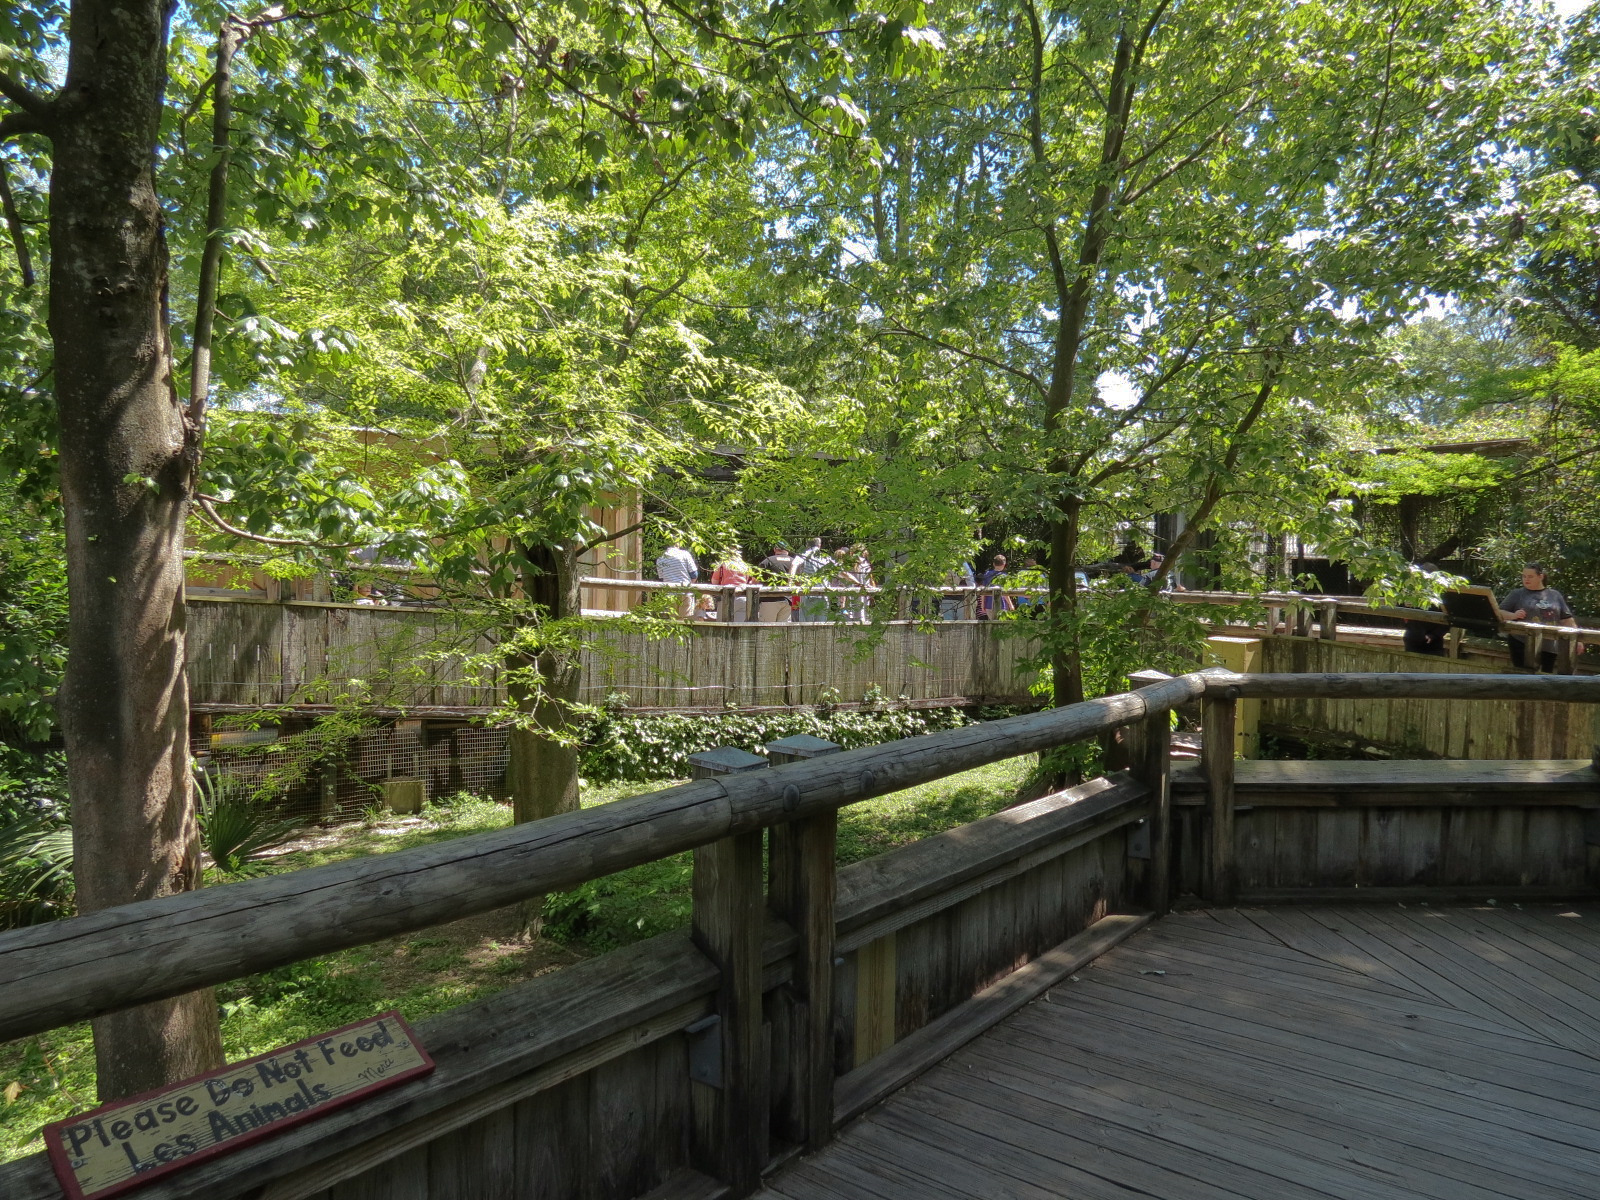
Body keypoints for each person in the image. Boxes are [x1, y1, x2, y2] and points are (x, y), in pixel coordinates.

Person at [1501, 563, 1581, 672]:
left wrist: (1577, 640)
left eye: (1530, 576)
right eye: (1524, 576)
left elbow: (1567, 619)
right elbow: (1499, 612)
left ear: (1541, 576)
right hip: (1522, 643)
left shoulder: (1555, 595)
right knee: (1523, 675)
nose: (1526, 579)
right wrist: (1513, 615)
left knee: (1544, 677)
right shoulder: (1517, 594)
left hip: (1549, 645)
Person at [1402, 562, 1448, 657]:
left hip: (1433, 643)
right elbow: (1398, 612)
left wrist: (1433, 636)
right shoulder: (1411, 592)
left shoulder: (1442, 595)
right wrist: (1404, 605)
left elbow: (1448, 620)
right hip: (1413, 639)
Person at [655, 543, 699, 619]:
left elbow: (662, 578)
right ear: (678, 544)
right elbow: (694, 574)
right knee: (685, 621)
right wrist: (690, 585)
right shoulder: (685, 554)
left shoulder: (660, 558)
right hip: (685, 591)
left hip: (669, 593)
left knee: (673, 620)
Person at [757, 542, 798, 622]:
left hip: (769, 600)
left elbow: (757, 580)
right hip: (788, 601)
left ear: (775, 549)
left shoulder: (768, 561)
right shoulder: (794, 562)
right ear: (788, 550)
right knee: (782, 631)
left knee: (766, 629)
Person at [795, 537, 832, 622]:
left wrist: (791, 581)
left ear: (807, 545)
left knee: (807, 624)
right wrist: (856, 581)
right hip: (823, 595)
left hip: (808, 594)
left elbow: (794, 564)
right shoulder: (826, 557)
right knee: (822, 624)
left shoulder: (804, 554)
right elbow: (840, 571)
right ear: (819, 545)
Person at [711, 546, 752, 622]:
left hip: (727, 597)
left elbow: (714, 582)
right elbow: (747, 581)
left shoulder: (722, 566)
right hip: (743, 597)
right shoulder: (745, 566)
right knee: (739, 626)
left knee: (722, 625)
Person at [978, 554, 1013, 618]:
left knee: (991, 624)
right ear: (1004, 564)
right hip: (1002, 605)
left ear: (993, 564)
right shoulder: (1004, 576)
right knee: (1001, 625)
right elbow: (1005, 593)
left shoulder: (987, 574)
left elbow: (983, 590)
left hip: (989, 605)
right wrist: (1010, 605)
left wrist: (982, 604)